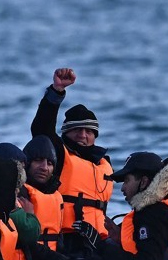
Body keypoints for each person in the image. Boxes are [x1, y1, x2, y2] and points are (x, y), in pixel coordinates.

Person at [30, 68, 114, 246]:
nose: (83, 135)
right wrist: (56, 91)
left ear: (95, 135)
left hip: (97, 240)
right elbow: (41, 129)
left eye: (89, 131)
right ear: (66, 133)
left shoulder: (104, 163)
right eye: (77, 130)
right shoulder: (59, 153)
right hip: (64, 240)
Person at [21, 136, 65, 251]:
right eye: (38, 160)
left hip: (52, 259)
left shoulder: (57, 196)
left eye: (49, 163)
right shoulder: (18, 192)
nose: (44, 167)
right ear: (26, 163)